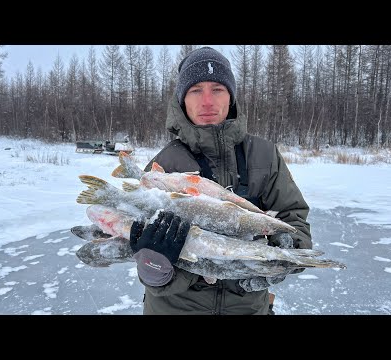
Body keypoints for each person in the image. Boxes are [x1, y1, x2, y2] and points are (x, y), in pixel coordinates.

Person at [129, 47, 312, 315]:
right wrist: (155, 269)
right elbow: (138, 241)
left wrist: (284, 253)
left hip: (249, 307)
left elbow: (295, 220)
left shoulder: (264, 155)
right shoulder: (164, 165)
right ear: (182, 100)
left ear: (231, 97)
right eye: (195, 90)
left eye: (217, 89)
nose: (207, 101)